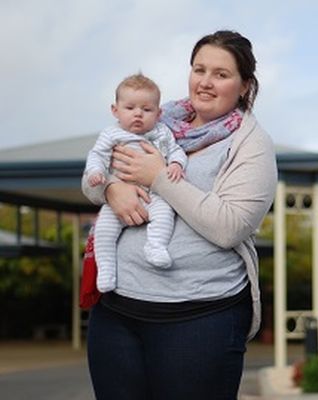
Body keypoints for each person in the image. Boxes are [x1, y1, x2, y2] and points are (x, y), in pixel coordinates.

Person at [81, 30, 277, 399]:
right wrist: (110, 189)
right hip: (117, 314)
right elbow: (93, 177)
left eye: (221, 74)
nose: (205, 82)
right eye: (199, 69)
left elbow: (230, 227)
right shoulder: (155, 120)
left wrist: (158, 177)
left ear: (245, 86)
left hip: (199, 318)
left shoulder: (251, 145)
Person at [84, 73, 187, 293]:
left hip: (153, 195)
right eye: (130, 108)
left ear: (158, 113)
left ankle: (155, 246)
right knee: (104, 231)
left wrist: (177, 163)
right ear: (115, 110)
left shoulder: (162, 133)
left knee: (165, 213)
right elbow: (97, 155)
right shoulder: (111, 134)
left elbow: (176, 150)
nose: (138, 114)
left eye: (147, 109)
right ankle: (106, 270)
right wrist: (96, 172)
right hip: (119, 198)